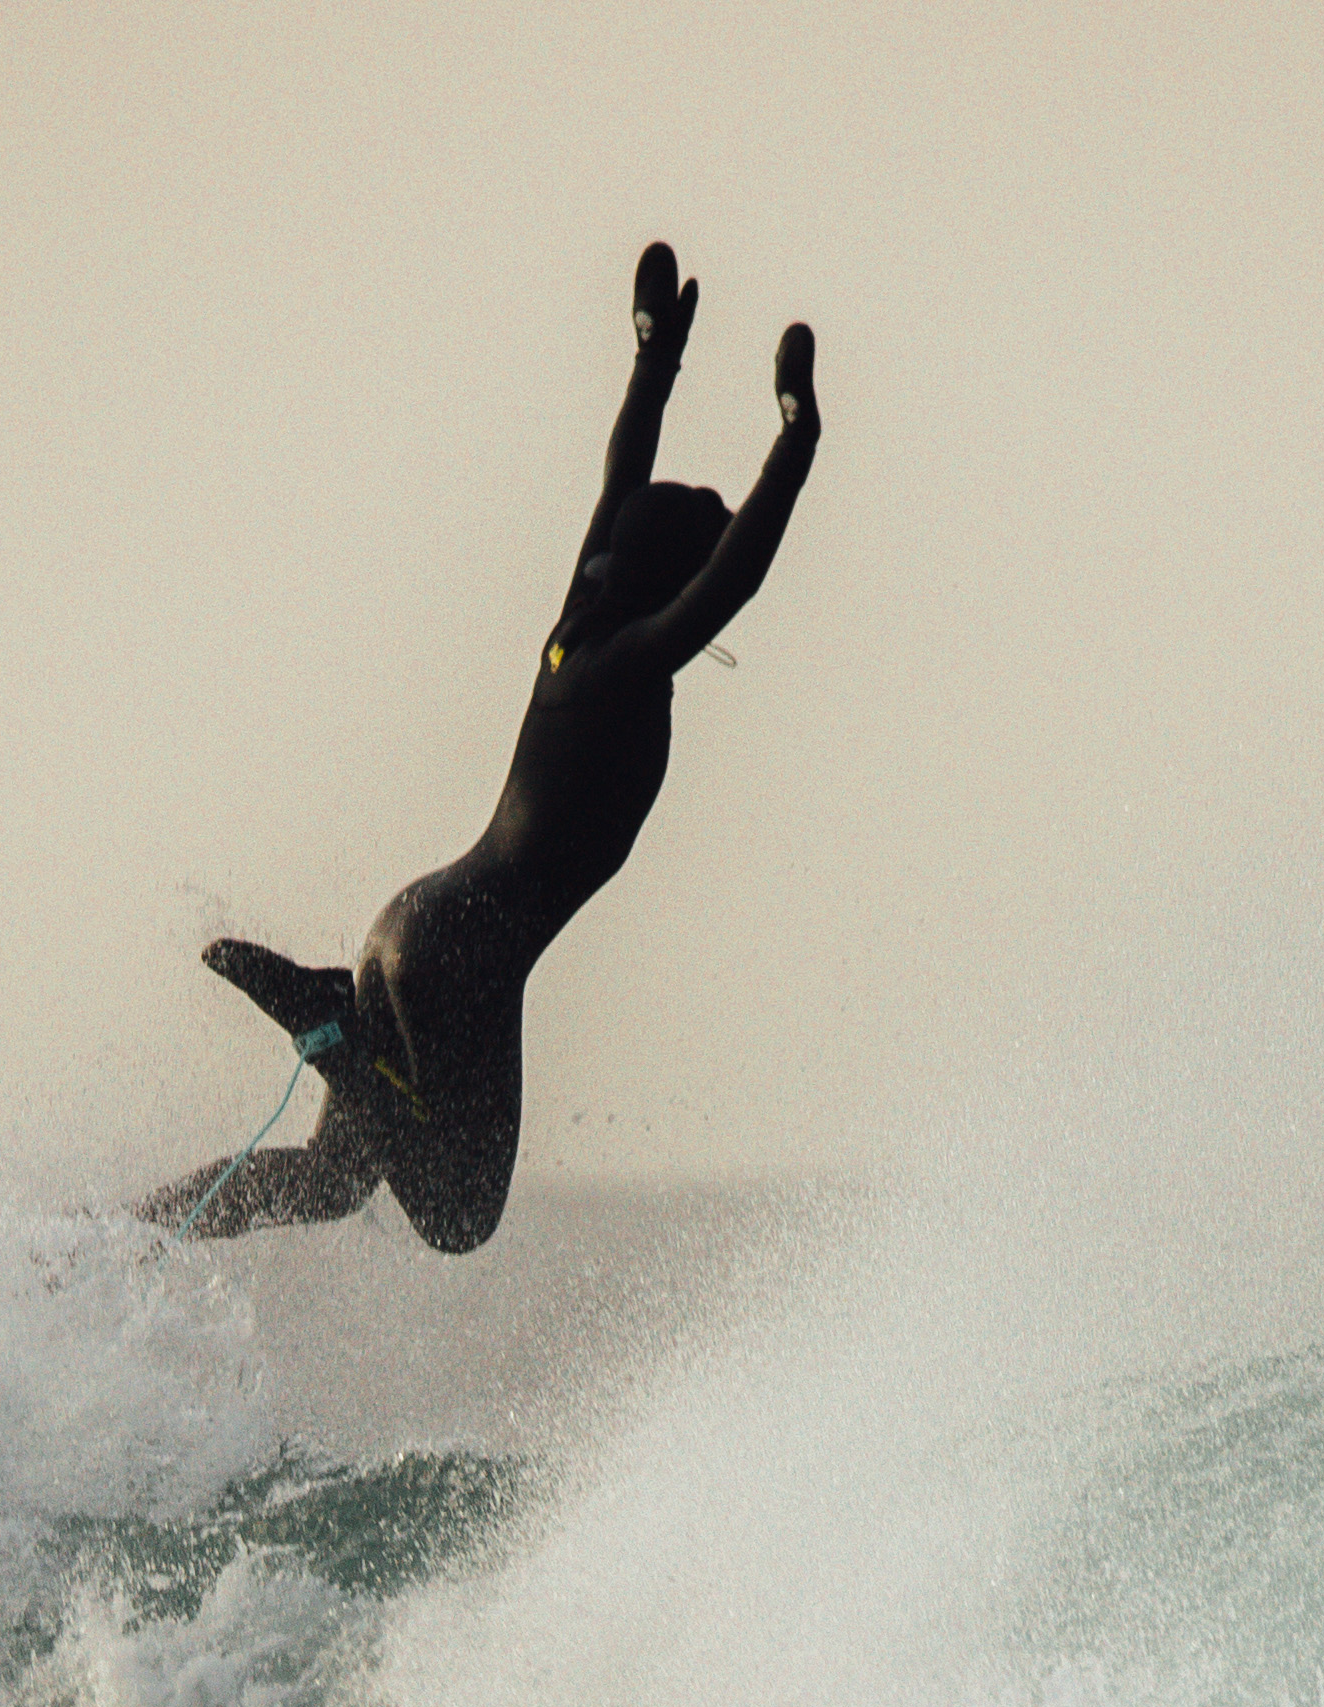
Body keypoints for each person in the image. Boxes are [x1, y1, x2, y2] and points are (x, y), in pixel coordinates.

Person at [142, 242, 818, 1253]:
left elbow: (622, 477)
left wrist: (653, 363)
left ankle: (128, 1233)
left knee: (336, 1178)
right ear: (668, 584)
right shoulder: (622, 665)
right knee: (458, 1219)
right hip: (462, 960)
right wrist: (797, 442)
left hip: (410, 929)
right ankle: (334, 1039)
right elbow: (733, 580)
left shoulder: (581, 622)